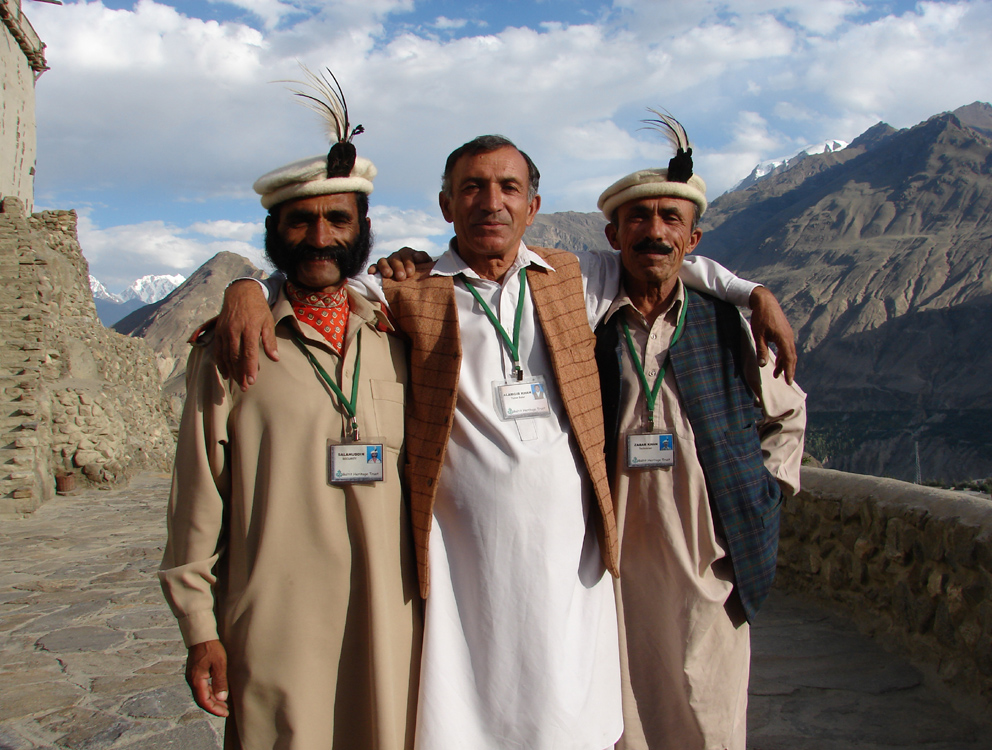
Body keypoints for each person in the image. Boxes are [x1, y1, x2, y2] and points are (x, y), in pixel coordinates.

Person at [213, 134, 797, 750]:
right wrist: (249, 286)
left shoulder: (573, 276)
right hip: (464, 563)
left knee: (569, 714)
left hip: (573, 560)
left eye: (508, 188)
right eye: (472, 188)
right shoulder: (408, 290)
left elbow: (663, 253)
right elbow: (320, 280)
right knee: (472, 711)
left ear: (532, 205)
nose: (490, 202)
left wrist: (752, 292)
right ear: (446, 206)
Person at [158, 73, 421, 750]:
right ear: (273, 230)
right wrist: (199, 626)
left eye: (339, 219)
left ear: (362, 230)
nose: (320, 236)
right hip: (276, 628)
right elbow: (196, 502)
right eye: (300, 221)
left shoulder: (401, 340)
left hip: (393, 626)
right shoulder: (232, 350)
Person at [593, 112, 806, 750]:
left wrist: (765, 495)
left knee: (709, 716)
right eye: (638, 219)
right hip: (611, 571)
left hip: (711, 566)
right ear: (613, 234)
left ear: (693, 239)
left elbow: (789, 414)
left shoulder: (730, 322)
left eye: (670, 220)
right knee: (624, 718)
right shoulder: (586, 323)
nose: (653, 232)